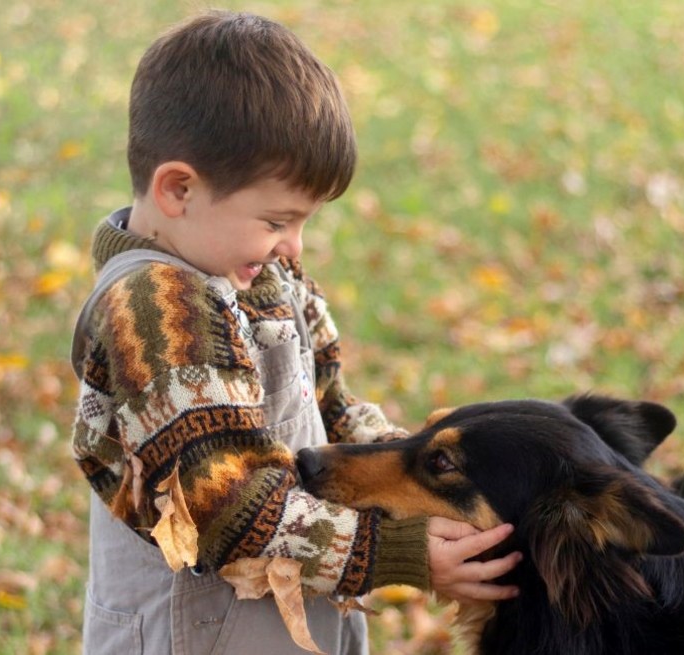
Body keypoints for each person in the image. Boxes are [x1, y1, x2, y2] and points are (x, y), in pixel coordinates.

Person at [68, 11, 521, 654]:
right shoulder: (153, 308)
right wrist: (394, 552)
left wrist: (414, 468)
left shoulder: (251, 270)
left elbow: (329, 404)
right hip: (193, 633)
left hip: (293, 617)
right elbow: (222, 509)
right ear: (179, 189)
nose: (293, 245)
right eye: (277, 219)